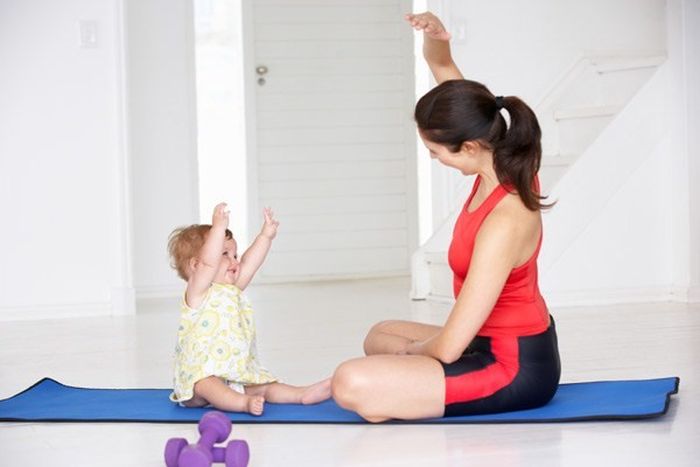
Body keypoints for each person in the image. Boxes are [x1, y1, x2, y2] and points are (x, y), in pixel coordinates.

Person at [330, 12, 561, 422]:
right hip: (481, 340)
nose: (435, 159)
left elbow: (449, 347)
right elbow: (446, 75)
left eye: (436, 152)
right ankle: (401, 389)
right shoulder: (500, 156)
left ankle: (394, 392)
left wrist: (410, 356)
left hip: (513, 367)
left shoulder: (505, 221)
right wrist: (437, 39)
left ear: (468, 147)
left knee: (349, 381)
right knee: (379, 334)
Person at [167, 203, 331, 415]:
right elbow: (209, 264)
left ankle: (301, 394)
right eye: (224, 254)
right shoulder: (198, 291)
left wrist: (265, 237)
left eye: (234, 255)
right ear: (196, 265)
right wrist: (218, 228)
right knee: (207, 384)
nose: (234, 261)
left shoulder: (232, 289)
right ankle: (242, 403)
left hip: (233, 376)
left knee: (264, 386)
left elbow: (249, 263)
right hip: (197, 382)